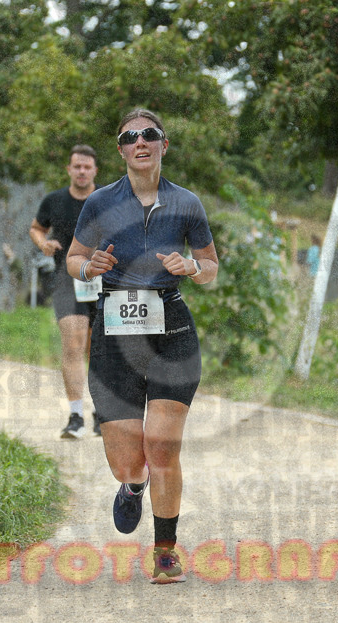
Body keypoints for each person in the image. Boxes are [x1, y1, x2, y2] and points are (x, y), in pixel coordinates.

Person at [66, 108, 218, 584]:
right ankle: (134, 486)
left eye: (149, 134)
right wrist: (90, 266)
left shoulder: (187, 203)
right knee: (129, 461)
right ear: (121, 150)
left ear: (163, 144)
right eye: (130, 137)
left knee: (163, 446)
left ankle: (166, 550)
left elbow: (210, 266)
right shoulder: (100, 203)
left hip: (171, 324)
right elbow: (73, 258)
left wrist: (191, 269)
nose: (140, 142)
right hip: (114, 327)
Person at [29, 145, 101, 439]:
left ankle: (102, 413)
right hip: (66, 280)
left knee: (98, 352)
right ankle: (75, 416)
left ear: (95, 170)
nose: (82, 171)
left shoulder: (107, 200)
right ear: (69, 169)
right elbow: (36, 228)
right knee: (73, 346)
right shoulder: (54, 200)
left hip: (102, 282)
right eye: (77, 167)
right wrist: (43, 244)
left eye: (87, 167)